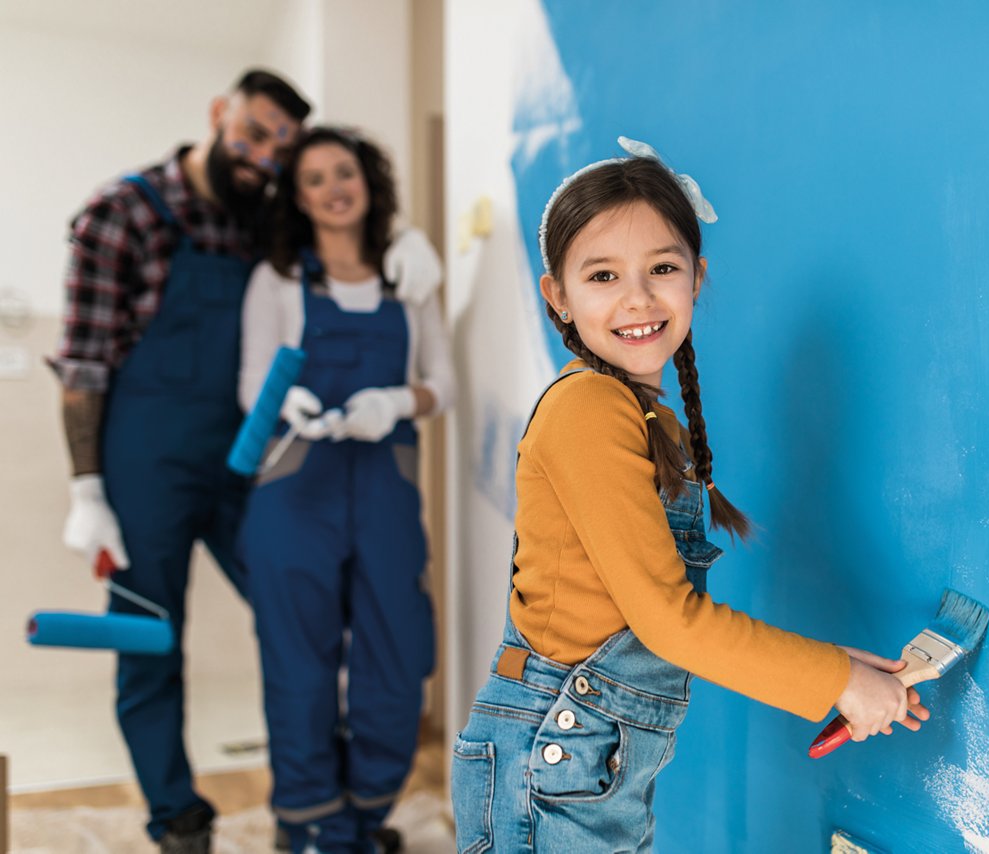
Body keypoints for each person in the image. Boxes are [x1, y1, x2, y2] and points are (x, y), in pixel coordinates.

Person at [450, 137, 931, 851]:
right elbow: (670, 622)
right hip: (553, 758)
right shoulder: (589, 410)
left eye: (663, 268)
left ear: (696, 277)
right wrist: (835, 681)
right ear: (557, 295)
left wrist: (843, 667)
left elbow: (664, 615)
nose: (638, 298)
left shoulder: (642, 416)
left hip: (577, 759)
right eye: (603, 275)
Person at [51, 70, 439, 853]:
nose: (265, 156)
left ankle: (326, 809)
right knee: (148, 637)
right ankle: (178, 817)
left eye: (279, 147)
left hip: (251, 464)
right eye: (255, 134)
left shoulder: (262, 214)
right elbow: (84, 364)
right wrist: (87, 487)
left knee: (298, 627)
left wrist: (403, 240)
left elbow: (341, 227)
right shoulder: (119, 212)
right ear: (219, 113)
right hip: (143, 469)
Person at [236, 126, 453, 854]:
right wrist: (284, 401)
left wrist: (393, 403)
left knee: (398, 660)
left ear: (368, 181)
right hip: (294, 492)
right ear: (297, 199)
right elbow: (250, 388)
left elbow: (442, 385)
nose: (334, 188)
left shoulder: (407, 275)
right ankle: (309, 825)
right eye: (315, 179)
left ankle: (364, 815)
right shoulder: (278, 279)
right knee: (300, 667)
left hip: (386, 489)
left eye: (345, 172)